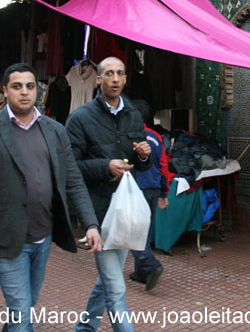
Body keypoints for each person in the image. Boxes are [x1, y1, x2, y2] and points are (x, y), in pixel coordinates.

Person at [0, 63, 102, 332]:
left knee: (25, 306)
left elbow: (73, 181)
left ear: (37, 89)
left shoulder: (55, 130)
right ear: (4, 91)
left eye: (30, 86)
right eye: (16, 86)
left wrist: (91, 224)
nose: (24, 92)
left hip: (43, 237)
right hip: (7, 239)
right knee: (22, 313)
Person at [66, 56, 152, 332]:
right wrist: (105, 167)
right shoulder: (80, 118)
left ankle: (85, 327)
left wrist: (142, 156)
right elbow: (70, 167)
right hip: (98, 212)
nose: (115, 79)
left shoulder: (134, 114)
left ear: (126, 79)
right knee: (116, 288)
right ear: (99, 79)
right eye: (109, 74)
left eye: (120, 74)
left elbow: (140, 162)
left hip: (124, 210)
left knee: (108, 279)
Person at [128, 100, 172, 291]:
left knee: (131, 234)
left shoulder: (130, 137)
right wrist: (164, 192)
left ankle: (151, 265)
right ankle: (140, 273)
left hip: (136, 190)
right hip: (154, 189)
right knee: (143, 231)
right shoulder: (155, 136)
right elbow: (164, 166)